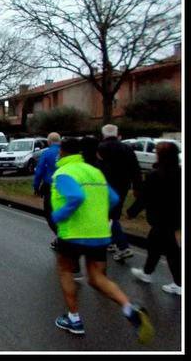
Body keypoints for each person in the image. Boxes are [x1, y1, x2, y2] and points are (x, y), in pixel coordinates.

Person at [50, 138, 153, 343]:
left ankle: (74, 319)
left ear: (62, 152)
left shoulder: (63, 172)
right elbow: (113, 199)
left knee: (65, 270)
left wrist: (58, 215)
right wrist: (96, 214)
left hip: (73, 233)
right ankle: (129, 309)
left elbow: (76, 197)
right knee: (97, 277)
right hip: (99, 233)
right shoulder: (95, 172)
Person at [129, 142, 181, 295]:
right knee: (154, 245)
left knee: (171, 251)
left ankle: (179, 283)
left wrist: (132, 212)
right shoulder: (180, 173)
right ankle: (147, 272)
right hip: (175, 216)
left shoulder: (155, 175)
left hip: (160, 217)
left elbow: (144, 197)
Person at [97, 124, 143, 261]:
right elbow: (136, 169)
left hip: (105, 186)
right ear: (117, 134)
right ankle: (111, 242)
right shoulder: (127, 148)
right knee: (113, 214)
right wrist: (137, 187)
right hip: (123, 185)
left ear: (103, 135)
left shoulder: (100, 148)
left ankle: (123, 246)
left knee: (108, 215)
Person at [33, 132, 62, 249]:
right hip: (65, 185)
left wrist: (36, 186)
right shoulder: (65, 152)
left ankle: (61, 237)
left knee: (49, 213)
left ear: (49, 142)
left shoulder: (46, 153)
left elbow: (39, 170)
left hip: (50, 186)